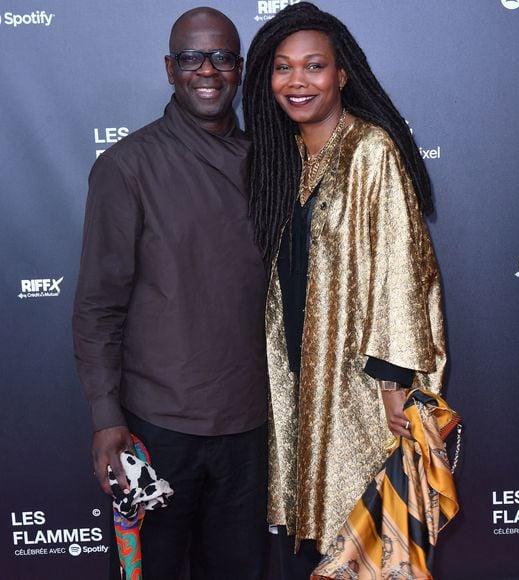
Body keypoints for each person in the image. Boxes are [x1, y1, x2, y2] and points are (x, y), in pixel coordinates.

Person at [243, 2, 447, 577]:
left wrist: (394, 385)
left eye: (314, 66)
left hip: (362, 389)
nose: (297, 81)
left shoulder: (371, 150)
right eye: (283, 68)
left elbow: (401, 271)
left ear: (342, 74)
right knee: (324, 549)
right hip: (301, 382)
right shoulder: (281, 158)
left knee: (371, 545)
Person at [73, 8, 269, 579]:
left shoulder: (269, 164)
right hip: (154, 427)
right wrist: (107, 419)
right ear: (169, 69)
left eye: (222, 57)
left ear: (239, 68)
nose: (207, 70)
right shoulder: (126, 167)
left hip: (250, 427)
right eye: (191, 58)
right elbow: (97, 307)